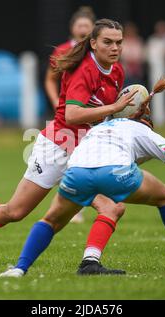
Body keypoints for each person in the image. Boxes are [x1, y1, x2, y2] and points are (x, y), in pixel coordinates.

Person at [0, 78, 165, 277]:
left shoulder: (101, 125)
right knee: (164, 195)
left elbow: (117, 121)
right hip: (116, 173)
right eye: (146, 108)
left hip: (76, 171)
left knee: (51, 220)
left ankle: (19, 269)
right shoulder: (143, 131)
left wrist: (149, 93)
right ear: (140, 114)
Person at [0, 19, 138, 275]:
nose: (114, 48)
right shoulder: (84, 70)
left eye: (119, 42)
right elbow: (72, 115)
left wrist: (130, 115)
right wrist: (114, 109)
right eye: (107, 42)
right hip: (57, 146)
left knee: (112, 206)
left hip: (84, 151)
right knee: (15, 211)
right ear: (93, 43)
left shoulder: (117, 72)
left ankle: (90, 264)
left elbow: (102, 116)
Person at [44, 6, 96, 224]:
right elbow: (50, 79)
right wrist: (58, 103)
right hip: (69, 117)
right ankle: (72, 207)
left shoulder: (101, 53)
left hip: (93, 118)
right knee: (71, 158)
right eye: (79, 25)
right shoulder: (63, 50)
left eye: (87, 25)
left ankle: (77, 205)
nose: (83, 29)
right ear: (72, 28)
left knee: (86, 160)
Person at [120, 22, 145, 86]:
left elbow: (142, 54)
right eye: (128, 31)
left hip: (137, 71)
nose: (130, 32)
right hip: (126, 71)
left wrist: (135, 60)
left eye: (132, 31)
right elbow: (122, 55)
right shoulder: (122, 41)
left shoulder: (139, 40)